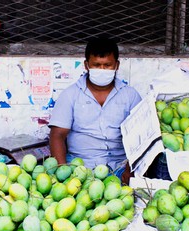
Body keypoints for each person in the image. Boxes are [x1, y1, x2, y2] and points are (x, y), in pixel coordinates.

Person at [48, 37, 142, 184]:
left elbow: (140, 137)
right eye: (97, 65)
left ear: (116, 65)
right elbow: (57, 135)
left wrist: (130, 169)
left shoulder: (130, 96)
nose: (102, 70)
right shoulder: (70, 95)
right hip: (80, 168)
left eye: (107, 65)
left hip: (120, 167)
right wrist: (63, 172)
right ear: (86, 65)